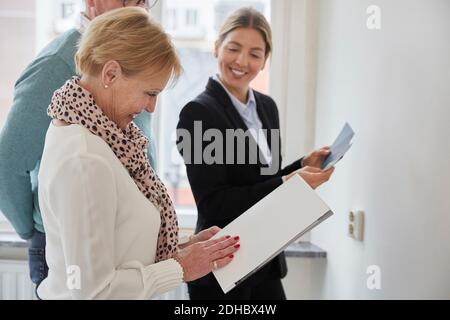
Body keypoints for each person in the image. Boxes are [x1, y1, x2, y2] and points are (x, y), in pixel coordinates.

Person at [36, 7, 240, 300]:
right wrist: (181, 268)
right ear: (111, 73)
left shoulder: (100, 135)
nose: (151, 107)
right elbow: (93, 292)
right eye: (150, 92)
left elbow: (121, 248)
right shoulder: (85, 159)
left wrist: (187, 249)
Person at [176, 7, 335, 300]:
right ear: (216, 48)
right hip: (223, 268)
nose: (242, 61)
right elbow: (214, 204)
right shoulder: (198, 114)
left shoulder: (266, 107)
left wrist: (301, 165)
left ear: (265, 60)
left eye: (255, 53)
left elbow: (264, 178)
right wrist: (288, 183)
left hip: (267, 264)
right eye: (234, 48)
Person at [0, 0, 158, 291]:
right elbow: (6, 164)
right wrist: (34, 229)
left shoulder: (132, 58)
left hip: (120, 240)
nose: (139, 5)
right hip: (72, 247)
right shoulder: (56, 65)